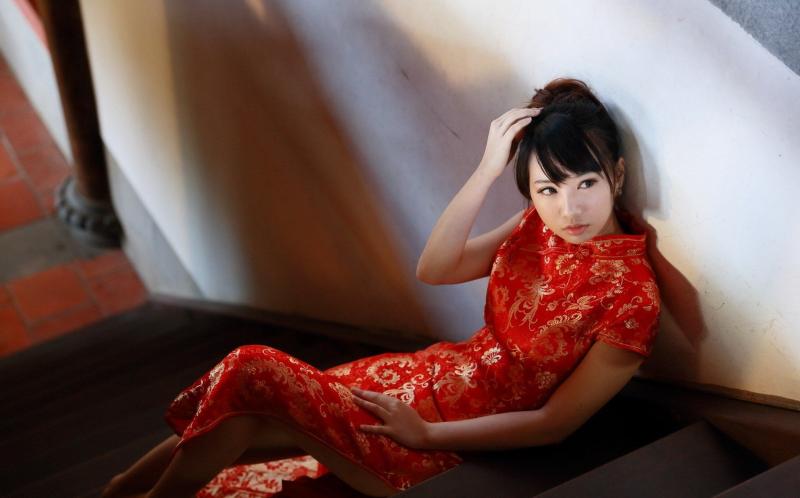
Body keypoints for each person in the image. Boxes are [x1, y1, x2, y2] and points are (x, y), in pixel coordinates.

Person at [102, 77, 660, 498]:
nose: (569, 208)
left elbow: (554, 425)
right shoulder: (538, 224)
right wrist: (488, 168)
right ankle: (122, 489)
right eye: (548, 188)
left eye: (587, 182)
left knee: (253, 370)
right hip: (425, 376)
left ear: (616, 174)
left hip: (452, 438)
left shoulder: (632, 300)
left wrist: (424, 436)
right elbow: (436, 268)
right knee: (250, 397)